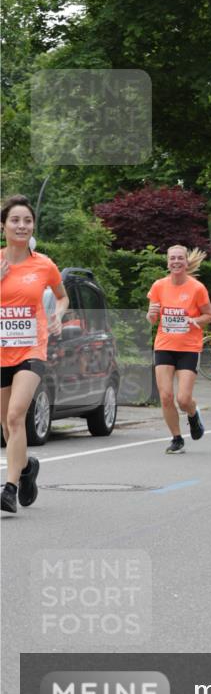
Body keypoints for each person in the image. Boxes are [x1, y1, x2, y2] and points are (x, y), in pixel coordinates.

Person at [1, 195, 69, 514]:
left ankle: (9, 489)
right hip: (1, 350)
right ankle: (27, 468)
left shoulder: (44, 264)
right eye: (15, 220)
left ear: (33, 227)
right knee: (5, 422)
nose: (21, 225)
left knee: (16, 415)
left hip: (32, 348)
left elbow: (62, 295)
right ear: (3, 226)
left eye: (27, 221)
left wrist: (58, 315)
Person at [147, 245, 211, 453]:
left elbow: (209, 315)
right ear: (168, 262)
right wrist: (151, 313)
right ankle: (177, 438)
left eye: (180, 258)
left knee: (183, 399)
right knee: (165, 396)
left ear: (186, 262)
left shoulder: (197, 288)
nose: (176, 261)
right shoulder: (159, 286)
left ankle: (193, 415)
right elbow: (152, 319)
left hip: (188, 347)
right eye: (172, 258)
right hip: (164, 345)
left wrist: (195, 320)